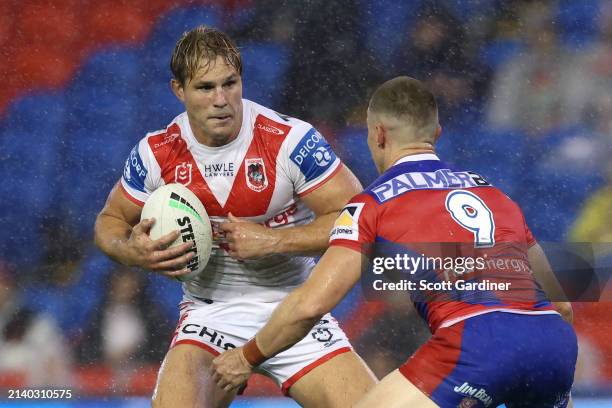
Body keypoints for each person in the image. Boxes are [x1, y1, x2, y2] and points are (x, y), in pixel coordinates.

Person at [211, 76, 578, 407]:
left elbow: (310, 305)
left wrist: (246, 357)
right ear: (436, 134)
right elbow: (561, 306)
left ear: (379, 135)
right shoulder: (495, 194)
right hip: (553, 346)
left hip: (476, 342)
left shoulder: (373, 203)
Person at [93, 26, 375, 407]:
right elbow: (110, 221)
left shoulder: (290, 140)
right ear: (179, 90)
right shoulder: (156, 153)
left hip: (294, 312)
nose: (221, 99)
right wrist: (131, 251)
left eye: (230, 83)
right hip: (211, 316)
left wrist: (275, 240)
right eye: (205, 88)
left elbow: (360, 218)